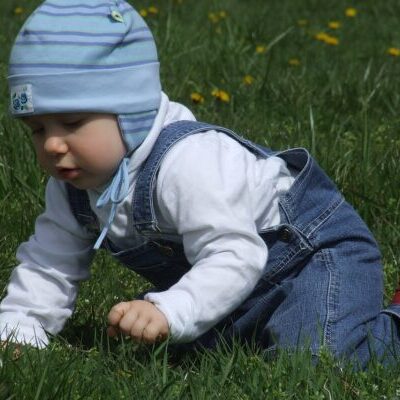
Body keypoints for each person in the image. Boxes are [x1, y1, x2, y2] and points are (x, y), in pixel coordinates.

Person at [1, 0, 399, 368]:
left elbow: (235, 253)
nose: (53, 144)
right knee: (149, 343)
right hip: (230, 284)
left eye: (72, 124)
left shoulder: (186, 163)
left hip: (310, 260)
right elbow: (49, 263)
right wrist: (18, 328)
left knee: (315, 359)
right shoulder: (72, 185)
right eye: (36, 129)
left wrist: (170, 310)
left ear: (131, 113)